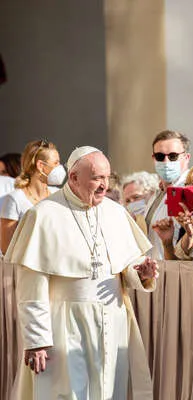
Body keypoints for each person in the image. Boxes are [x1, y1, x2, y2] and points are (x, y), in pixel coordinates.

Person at [5, 146, 157, 399]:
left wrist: (140, 272)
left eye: (107, 178)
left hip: (113, 318)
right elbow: (32, 283)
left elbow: (124, 266)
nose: (104, 185)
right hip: (65, 323)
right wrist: (37, 340)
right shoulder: (43, 214)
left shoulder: (116, 212)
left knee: (110, 390)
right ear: (73, 178)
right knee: (68, 392)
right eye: (97, 178)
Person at [1, 140, 65, 254]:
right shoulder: (13, 200)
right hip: (27, 269)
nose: (60, 167)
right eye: (56, 163)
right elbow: (7, 249)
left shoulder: (59, 195)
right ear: (40, 165)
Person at [144, 130, 191, 260]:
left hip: (176, 271)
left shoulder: (188, 191)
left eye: (173, 156)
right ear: (153, 158)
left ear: (186, 157)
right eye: (160, 156)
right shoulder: (158, 192)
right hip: (154, 270)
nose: (166, 161)